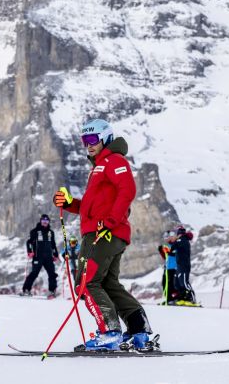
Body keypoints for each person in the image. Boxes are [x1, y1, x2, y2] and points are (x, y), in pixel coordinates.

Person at [53, 118, 155, 352]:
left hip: (104, 233)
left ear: (105, 138)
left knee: (87, 283)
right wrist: (69, 203)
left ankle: (109, 333)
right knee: (108, 284)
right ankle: (139, 331)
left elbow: (127, 190)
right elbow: (93, 207)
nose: (88, 145)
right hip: (106, 231)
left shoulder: (113, 161)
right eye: (84, 141)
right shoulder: (99, 167)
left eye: (92, 139)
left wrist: (109, 222)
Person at [20, 214, 59, 298]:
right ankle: (26, 290)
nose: (45, 222)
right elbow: (29, 242)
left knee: (52, 274)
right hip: (38, 256)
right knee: (34, 273)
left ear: (48, 222)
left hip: (49, 257)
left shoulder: (51, 232)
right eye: (43, 220)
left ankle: (52, 292)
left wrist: (55, 254)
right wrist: (30, 251)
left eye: (47, 220)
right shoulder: (35, 231)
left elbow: (53, 244)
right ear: (41, 221)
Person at [169, 225, 197, 306]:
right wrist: (171, 252)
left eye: (176, 233)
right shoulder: (181, 241)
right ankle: (183, 298)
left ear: (179, 233)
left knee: (184, 282)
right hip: (179, 265)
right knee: (177, 283)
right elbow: (175, 250)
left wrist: (172, 245)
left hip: (184, 265)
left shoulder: (183, 240)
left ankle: (192, 299)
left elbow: (174, 246)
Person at [158, 231, 177, 304]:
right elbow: (166, 257)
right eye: (164, 237)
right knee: (164, 282)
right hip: (167, 267)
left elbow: (174, 254)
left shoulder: (175, 244)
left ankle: (171, 299)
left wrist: (170, 252)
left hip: (173, 267)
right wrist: (161, 251)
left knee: (171, 283)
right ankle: (167, 298)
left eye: (167, 237)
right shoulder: (167, 245)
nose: (166, 239)